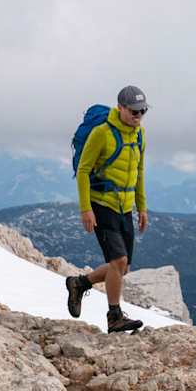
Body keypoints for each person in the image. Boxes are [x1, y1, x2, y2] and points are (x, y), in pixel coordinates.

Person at [66, 85, 150, 333]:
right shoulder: (102, 133)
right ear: (121, 108)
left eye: (142, 111)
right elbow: (83, 170)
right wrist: (85, 209)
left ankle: (80, 283)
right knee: (118, 260)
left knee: (122, 268)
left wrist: (142, 207)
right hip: (101, 204)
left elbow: (139, 171)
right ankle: (114, 316)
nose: (138, 116)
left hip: (125, 208)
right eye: (133, 111)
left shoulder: (140, 135)